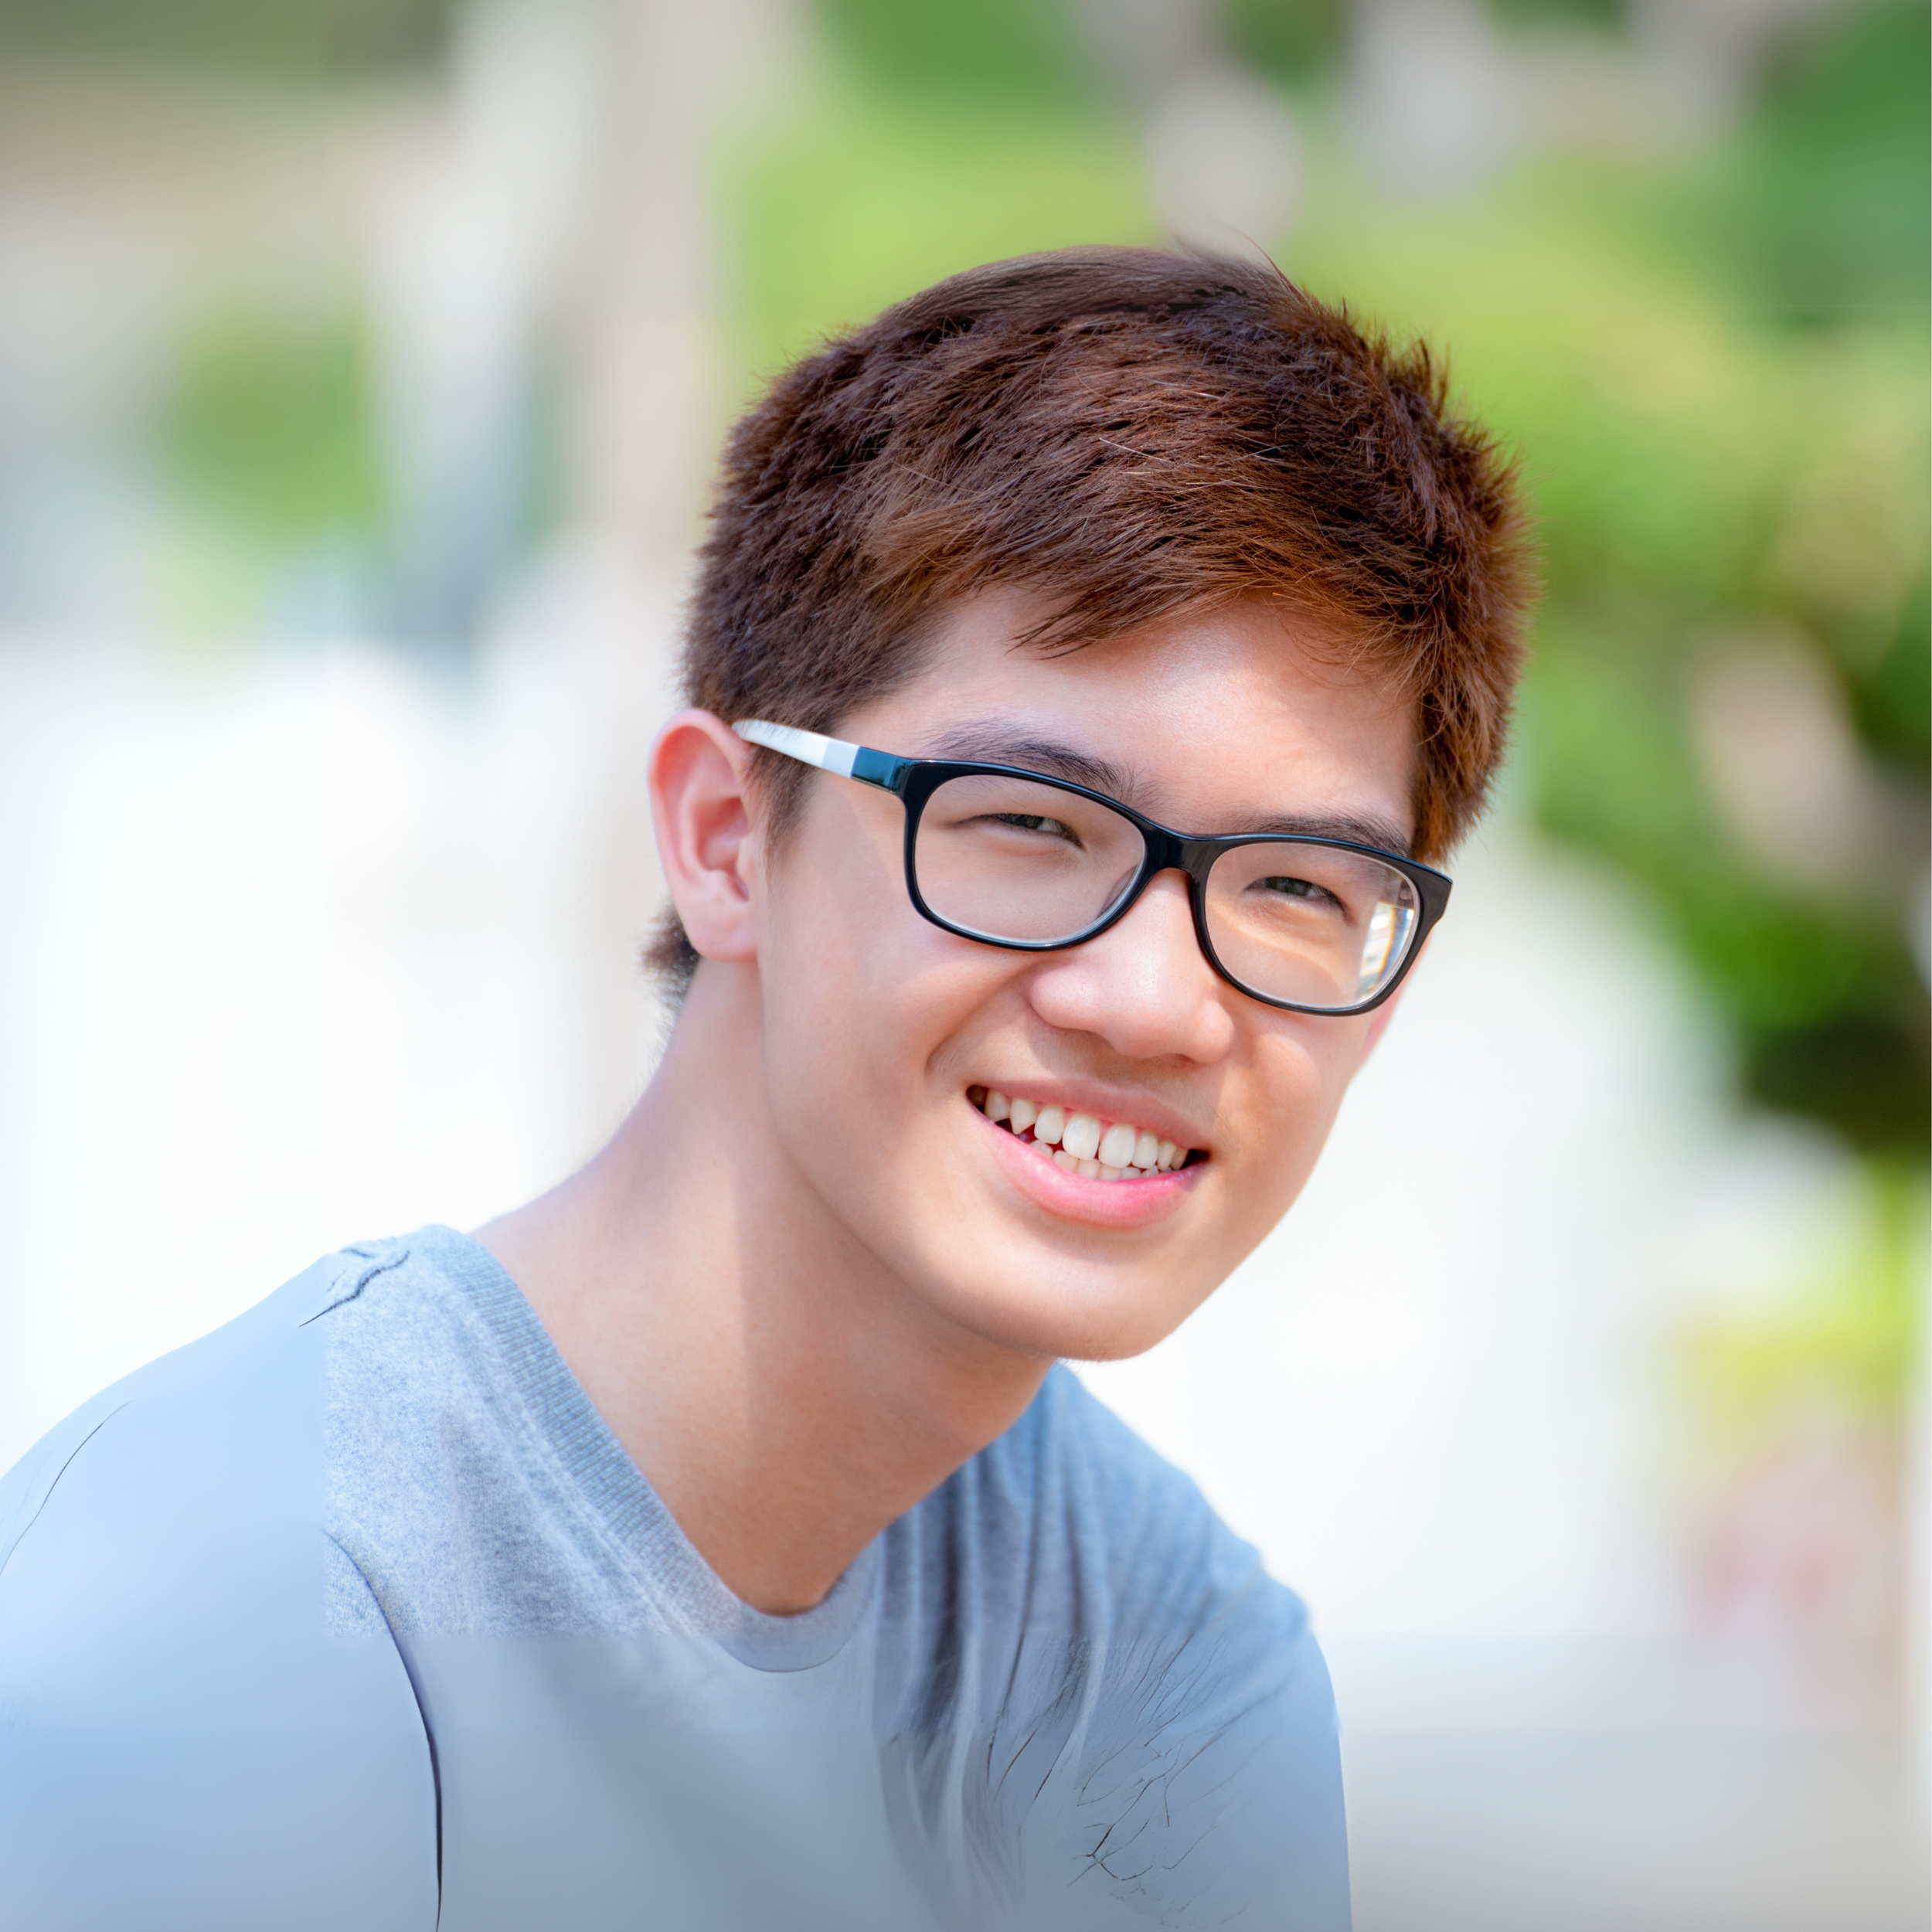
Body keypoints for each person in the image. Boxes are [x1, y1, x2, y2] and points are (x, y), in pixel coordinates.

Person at [0, 247, 1529, 1930]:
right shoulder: (255, 1594)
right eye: (1028, 824)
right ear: (729, 841)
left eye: (1297, 885)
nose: (1159, 1003)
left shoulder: (1160, 1658)